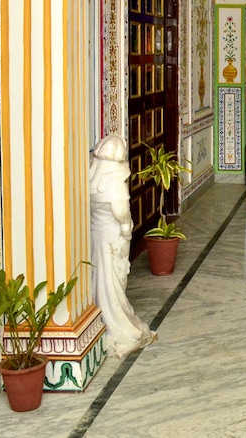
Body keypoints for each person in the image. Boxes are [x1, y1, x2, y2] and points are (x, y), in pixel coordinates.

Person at [90, 134, 156, 357]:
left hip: (97, 236)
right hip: (114, 237)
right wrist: (127, 229)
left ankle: (100, 319)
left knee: (100, 278)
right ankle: (118, 323)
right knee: (114, 280)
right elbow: (122, 215)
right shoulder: (115, 185)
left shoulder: (92, 179)